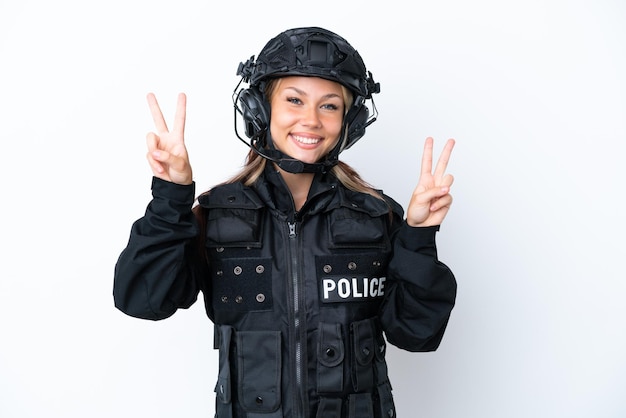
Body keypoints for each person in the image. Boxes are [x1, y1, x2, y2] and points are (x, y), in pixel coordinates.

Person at [113, 26, 457, 418]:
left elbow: (417, 335)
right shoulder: (215, 216)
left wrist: (418, 237)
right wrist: (170, 198)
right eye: (294, 100)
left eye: (329, 105)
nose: (310, 120)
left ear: (350, 120)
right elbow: (142, 300)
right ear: (262, 109)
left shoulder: (380, 217)